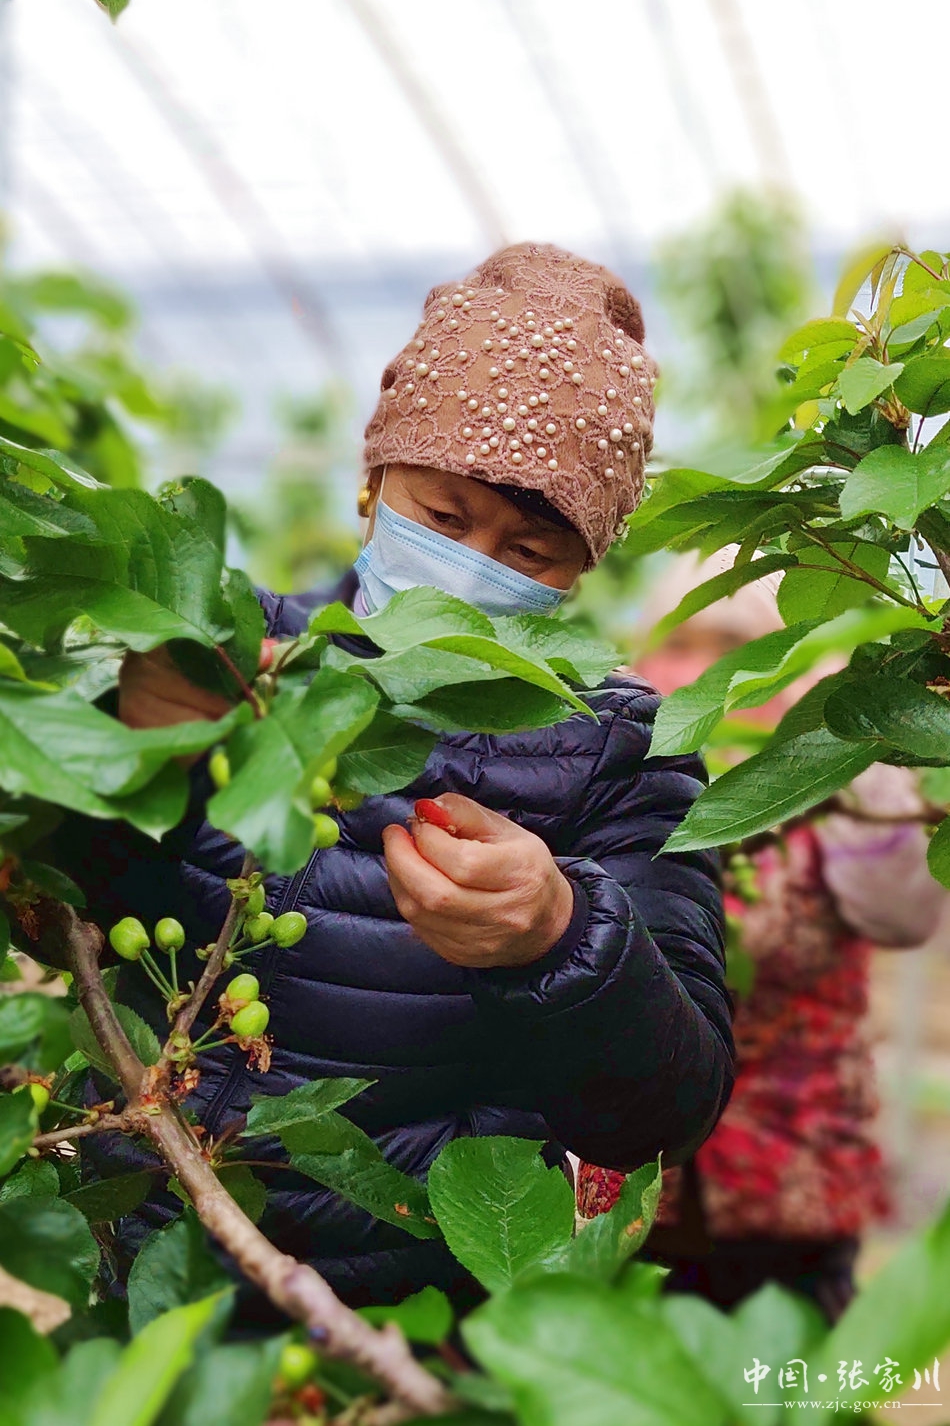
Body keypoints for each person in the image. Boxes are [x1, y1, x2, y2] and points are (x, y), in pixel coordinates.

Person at [64, 244, 733, 1315]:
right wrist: (115, 745)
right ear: (372, 485)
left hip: (410, 1296)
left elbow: (670, 1104)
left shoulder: (617, 750)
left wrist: (559, 933)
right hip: (143, 1249)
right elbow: (60, 899)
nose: (474, 569)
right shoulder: (229, 654)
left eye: (531, 550)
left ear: (581, 568)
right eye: (445, 518)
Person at [576, 551, 945, 1323]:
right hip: (630, 1199)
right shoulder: (618, 795)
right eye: (683, 644)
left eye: (737, 652)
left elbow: (902, 914)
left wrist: (854, 744)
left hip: (789, 1192)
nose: (706, 676)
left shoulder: (830, 799)